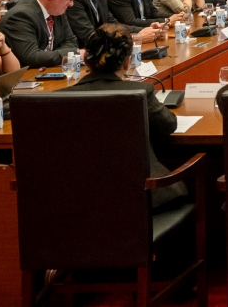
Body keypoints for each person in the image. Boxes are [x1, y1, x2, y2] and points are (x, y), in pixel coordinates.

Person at [66, 23, 187, 209]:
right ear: (127, 61)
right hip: (140, 200)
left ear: (87, 60)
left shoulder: (59, 99)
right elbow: (168, 125)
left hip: (77, 203)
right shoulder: (139, 92)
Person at [0, 0, 79, 68]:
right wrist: (73, 53)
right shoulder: (20, 16)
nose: (71, 4)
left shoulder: (57, 10)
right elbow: (31, 57)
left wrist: (49, 56)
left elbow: (71, 42)